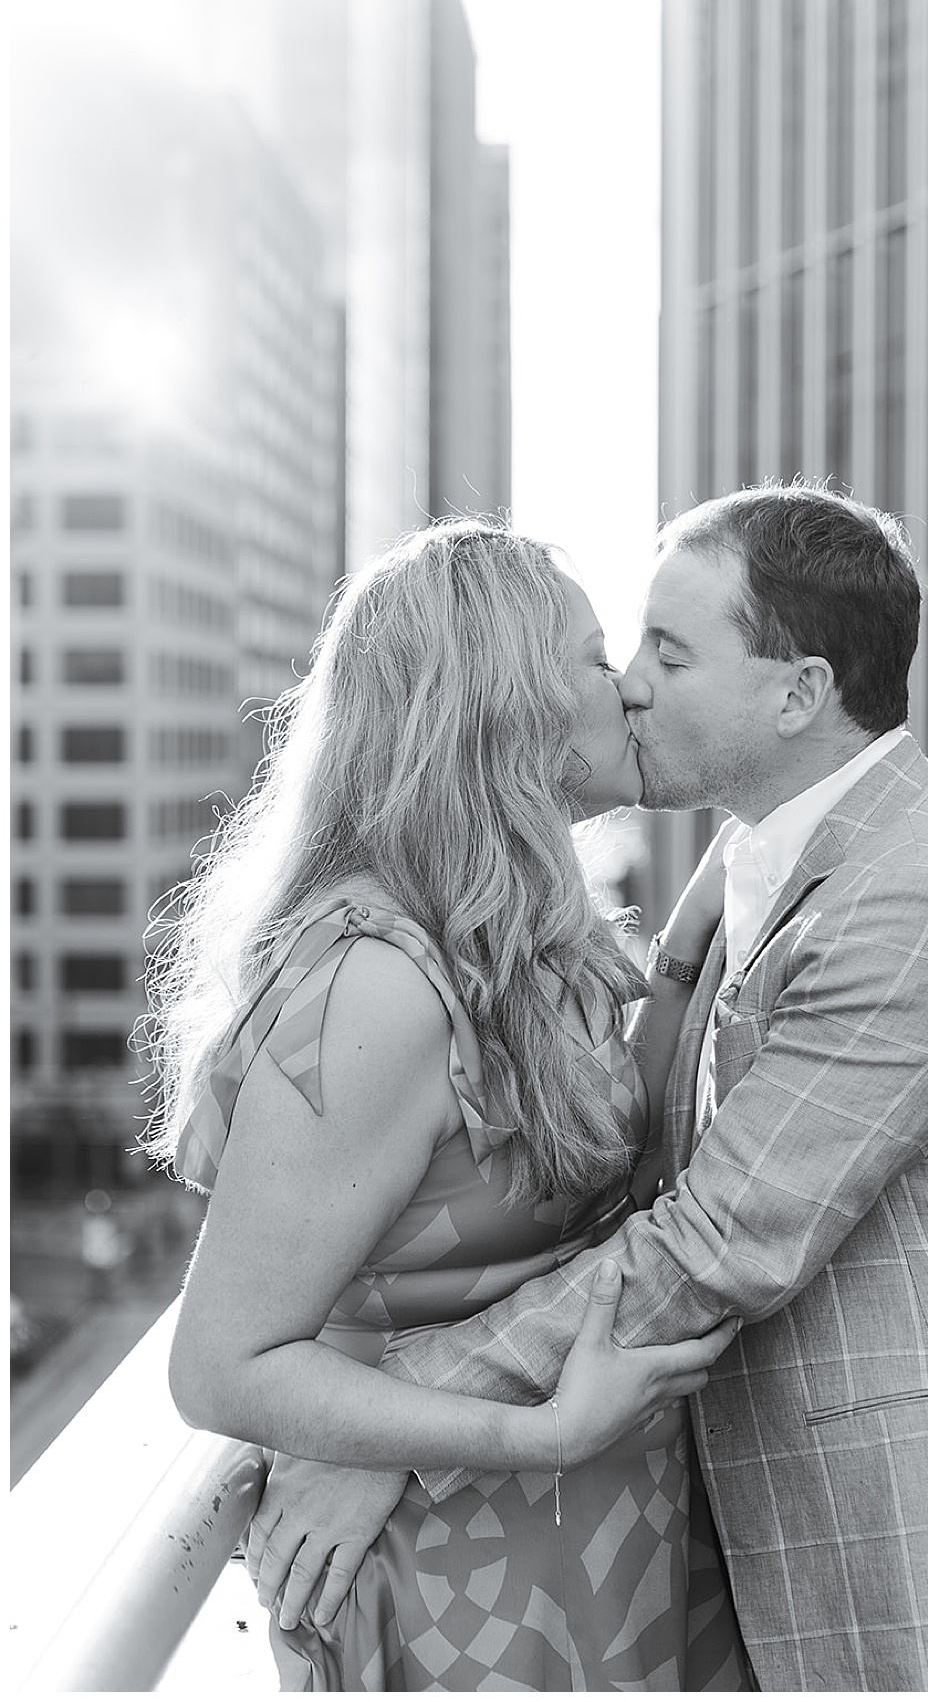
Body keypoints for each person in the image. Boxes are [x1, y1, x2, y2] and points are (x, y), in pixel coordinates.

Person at [362, 484, 928, 1691]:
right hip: (831, 1571)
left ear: (798, 691)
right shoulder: (752, 855)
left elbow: (716, 1241)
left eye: (670, 651)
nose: (626, 683)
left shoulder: (918, 899)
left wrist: (375, 1421)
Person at [139, 520, 748, 1692]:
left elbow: (602, 1173)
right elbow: (218, 1366)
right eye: (591, 657)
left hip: (608, 1554)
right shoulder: (375, 983)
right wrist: (523, 1434)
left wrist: (716, 896)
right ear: (499, 705)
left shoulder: (502, 935)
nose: (626, 685)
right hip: (467, 1593)